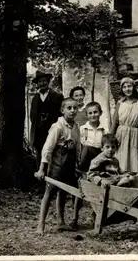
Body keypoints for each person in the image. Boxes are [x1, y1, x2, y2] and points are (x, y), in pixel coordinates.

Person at [35, 98, 80, 234]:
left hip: (69, 165)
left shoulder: (76, 127)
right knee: (49, 193)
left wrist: (77, 165)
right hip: (57, 164)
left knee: (63, 192)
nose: (72, 111)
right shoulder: (58, 126)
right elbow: (47, 148)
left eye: (75, 108)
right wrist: (42, 169)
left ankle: (60, 222)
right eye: (69, 108)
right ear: (62, 110)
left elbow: (78, 147)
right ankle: (40, 225)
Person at [70, 101, 106, 230]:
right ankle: (74, 218)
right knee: (80, 190)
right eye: (90, 113)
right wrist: (78, 163)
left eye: (95, 112)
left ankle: (95, 217)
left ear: (100, 113)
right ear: (86, 115)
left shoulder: (104, 129)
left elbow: (105, 148)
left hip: (98, 162)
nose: (93, 115)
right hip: (85, 162)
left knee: (97, 191)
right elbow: (79, 147)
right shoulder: (83, 129)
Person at [30, 70, 63, 169]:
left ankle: (51, 180)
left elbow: (61, 114)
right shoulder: (35, 98)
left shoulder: (57, 96)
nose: (42, 83)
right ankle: (41, 179)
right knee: (39, 156)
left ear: (48, 82)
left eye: (44, 81)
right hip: (39, 133)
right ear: (37, 84)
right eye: (40, 82)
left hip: (52, 131)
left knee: (52, 154)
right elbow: (32, 116)